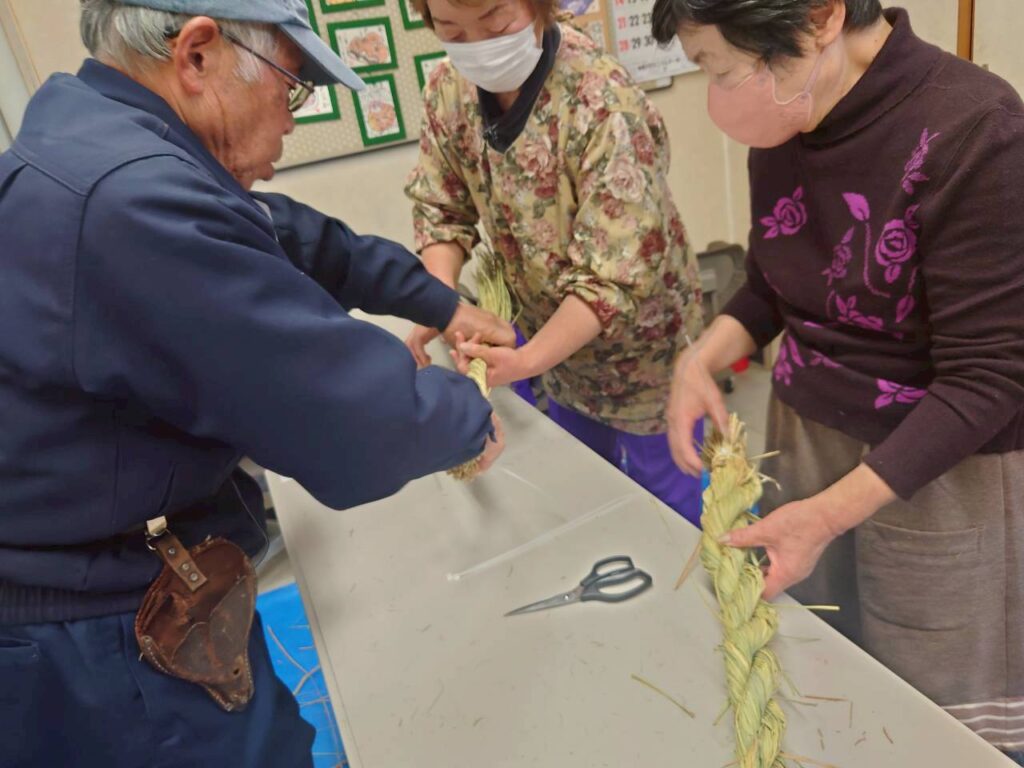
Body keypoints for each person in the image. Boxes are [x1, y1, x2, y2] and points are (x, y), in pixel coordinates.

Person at [0, 0, 516, 765]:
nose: (292, 120)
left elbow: (284, 234)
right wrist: (464, 410)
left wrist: (439, 301)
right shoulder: (131, 201)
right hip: (103, 634)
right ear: (199, 55)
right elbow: (351, 425)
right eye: (292, 86)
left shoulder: (96, 143)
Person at [653, 0, 1024, 759]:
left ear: (819, 17)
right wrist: (702, 355)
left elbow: (988, 378)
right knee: (823, 662)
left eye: (721, 69)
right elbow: (772, 283)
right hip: (805, 440)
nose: (717, 96)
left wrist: (830, 515)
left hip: (932, 466)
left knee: (927, 706)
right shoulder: (792, 112)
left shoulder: (974, 129)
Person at [404, 0, 706, 522]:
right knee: (584, 492)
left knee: (672, 514)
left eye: (496, 19)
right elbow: (441, 207)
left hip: (646, 355)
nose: (476, 44)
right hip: (556, 350)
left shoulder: (600, 99)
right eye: (451, 28)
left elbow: (611, 277)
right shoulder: (448, 91)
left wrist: (526, 360)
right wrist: (438, 297)